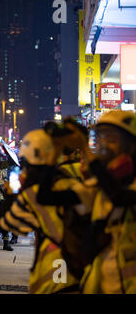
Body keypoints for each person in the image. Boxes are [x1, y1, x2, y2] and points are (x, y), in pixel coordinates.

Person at [38, 112, 136, 293]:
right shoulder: (97, 188)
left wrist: (84, 147)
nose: (105, 146)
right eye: (102, 138)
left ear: (131, 146)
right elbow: (45, 197)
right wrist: (55, 152)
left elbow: (119, 197)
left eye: (112, 139)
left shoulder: (121, 188)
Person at [0, 129, 81, 293]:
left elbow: (9, 222)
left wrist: (10, 196)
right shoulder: (84, 175)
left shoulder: (41, 189)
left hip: (59, 259)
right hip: (71, 259)